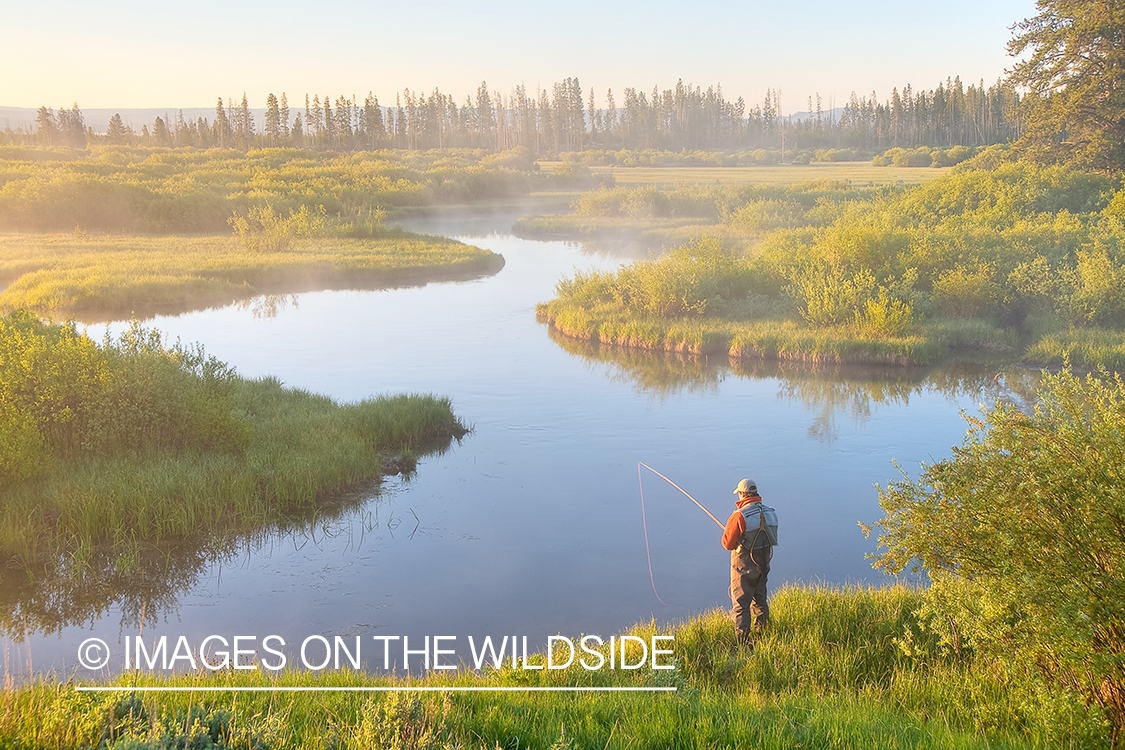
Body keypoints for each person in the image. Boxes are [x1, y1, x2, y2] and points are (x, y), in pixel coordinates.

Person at [721, 478, 778, 642]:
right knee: (760, 600)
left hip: (743, 567)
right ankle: (763, 637)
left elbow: (727, 543)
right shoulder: (769, 512)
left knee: (740, 604)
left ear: (742, 494)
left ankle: (742, 641)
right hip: (763, 563)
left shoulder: (739, 516)